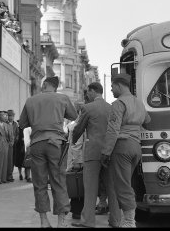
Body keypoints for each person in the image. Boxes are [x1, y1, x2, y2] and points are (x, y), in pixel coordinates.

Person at [19, 76, 78, 228]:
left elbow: (23, 124)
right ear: (55, 87)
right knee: (58, 182)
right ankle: (61, 222)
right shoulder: (62, 98)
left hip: (37, 144)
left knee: (39, 183)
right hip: (55, 144)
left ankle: (44, 222)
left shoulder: (31, 100)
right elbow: (74, 116)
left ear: (44, 84)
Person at [100, 73, 151, 228]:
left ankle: (129, 222)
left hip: (122, 147)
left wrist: (106, 152)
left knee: (123, 186)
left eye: (112, 87)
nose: (111, 90)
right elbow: (148, 121)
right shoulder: (139, 103)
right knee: (126, 183)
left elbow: (113, 130)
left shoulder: (118, 103)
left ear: (119, 86)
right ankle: (126, 220)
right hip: (136, 147)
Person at [71, 82, 121, 228]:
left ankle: (88, 222)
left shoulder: (88, 108)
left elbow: (79, 128)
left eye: (88, 92)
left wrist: (73, 139)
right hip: (110, 151)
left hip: (93, 152)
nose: (87, 95)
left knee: (90, 188)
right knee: (111, 187)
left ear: (93, 91)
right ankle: (115, 220)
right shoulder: (112, 108)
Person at [6, 109, 18, 182]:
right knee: (7, 160)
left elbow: (17, 134)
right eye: (10, 115)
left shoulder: (15, 124)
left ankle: (10, 175)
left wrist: (15, 140)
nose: (11, 117)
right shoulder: (5, 123)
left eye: (12, 116)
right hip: (7, 144)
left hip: (14, 145)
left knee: (12, 160)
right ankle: (6, 176)